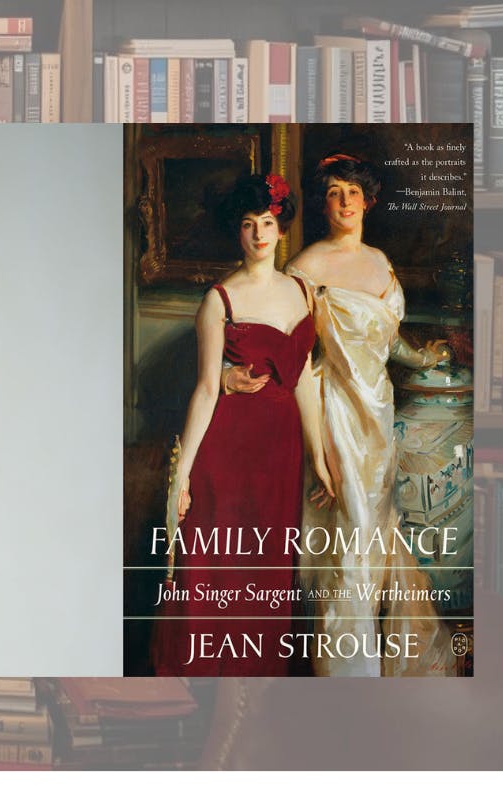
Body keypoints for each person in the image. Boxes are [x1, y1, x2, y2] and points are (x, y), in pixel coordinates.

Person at [226, 153, 455, 676]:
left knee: (371, 535)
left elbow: (387, 338)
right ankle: (349, 679)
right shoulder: (304, 269)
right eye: (334, 192)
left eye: (353, 191)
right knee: (345, 544)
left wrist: (423, 357)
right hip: (334, 415)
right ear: (323, 204)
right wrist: (225, 376)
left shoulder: (380, 260)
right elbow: (273, 342)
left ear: (368, 200)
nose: (345, 200)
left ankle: (370, 662)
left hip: (378, 416)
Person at [152, 174, 333, 677]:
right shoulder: (219, 300)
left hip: (281, 452)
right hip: (226, 452)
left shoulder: (302, 291)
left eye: (268, 224)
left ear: (281, 231)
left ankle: (256, 694)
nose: (258, 234)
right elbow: (208, 388)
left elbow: (303, 381)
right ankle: (202, 690)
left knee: (268, 567)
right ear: (239, 232)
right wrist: (182, 476)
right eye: (249, 225)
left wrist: (318, 457)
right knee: (220, 567)